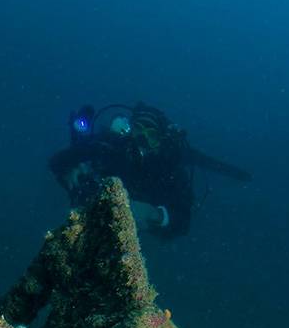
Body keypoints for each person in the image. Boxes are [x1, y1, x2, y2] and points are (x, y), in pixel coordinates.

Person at [50, 102, 251, 239]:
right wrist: (73, 177)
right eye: (138, 130)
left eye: (151, 135)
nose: (143, 140)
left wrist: (153, 214)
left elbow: (182, 221)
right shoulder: (112, 147)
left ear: (161, 140)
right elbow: (58, 161)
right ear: (129, 131)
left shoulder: (168, 168)